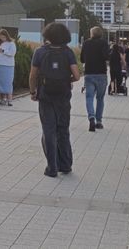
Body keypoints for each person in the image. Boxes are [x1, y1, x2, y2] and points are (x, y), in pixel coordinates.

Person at [29, 22, 80, 178]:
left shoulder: (39, 52)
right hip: (63, 95)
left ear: (47, 35)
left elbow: (32, 75)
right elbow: (77, 76)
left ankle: (52, 167)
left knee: (48, 130)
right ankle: (66, 165)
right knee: (62, 129)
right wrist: (66, 79)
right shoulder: (68, 52)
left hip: (45, 95)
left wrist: (33, 91)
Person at [80, 27, 110, 131]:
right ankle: (99, 121)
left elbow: (82, 59)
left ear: (91, 34)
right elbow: (107, 57)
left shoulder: (86, 43)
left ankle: (91, 117)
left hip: (89, 73)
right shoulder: (104, 43)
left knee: (89, 97)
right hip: (101, 73)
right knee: (100, 98)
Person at [0, 28, 17, 106]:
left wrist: (2, 51)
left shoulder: (11, 43)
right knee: (0, 83)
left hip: (8, 65)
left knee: (8, 82)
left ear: (6, 35)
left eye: (2, 36)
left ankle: (9, 100)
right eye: (0, 36)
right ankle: (3, 99)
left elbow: (12, 53)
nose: (1, 38)